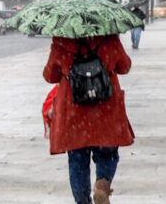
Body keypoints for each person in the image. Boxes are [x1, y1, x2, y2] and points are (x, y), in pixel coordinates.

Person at [43, 35, 134, 204]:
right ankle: (102, 185)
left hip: (74, 112)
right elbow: (124, 66)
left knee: (77, 160)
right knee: (108, 154)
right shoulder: (109, 37)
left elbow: (50, 76)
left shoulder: (61, 41)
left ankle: (82, 200)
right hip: (105, 109)